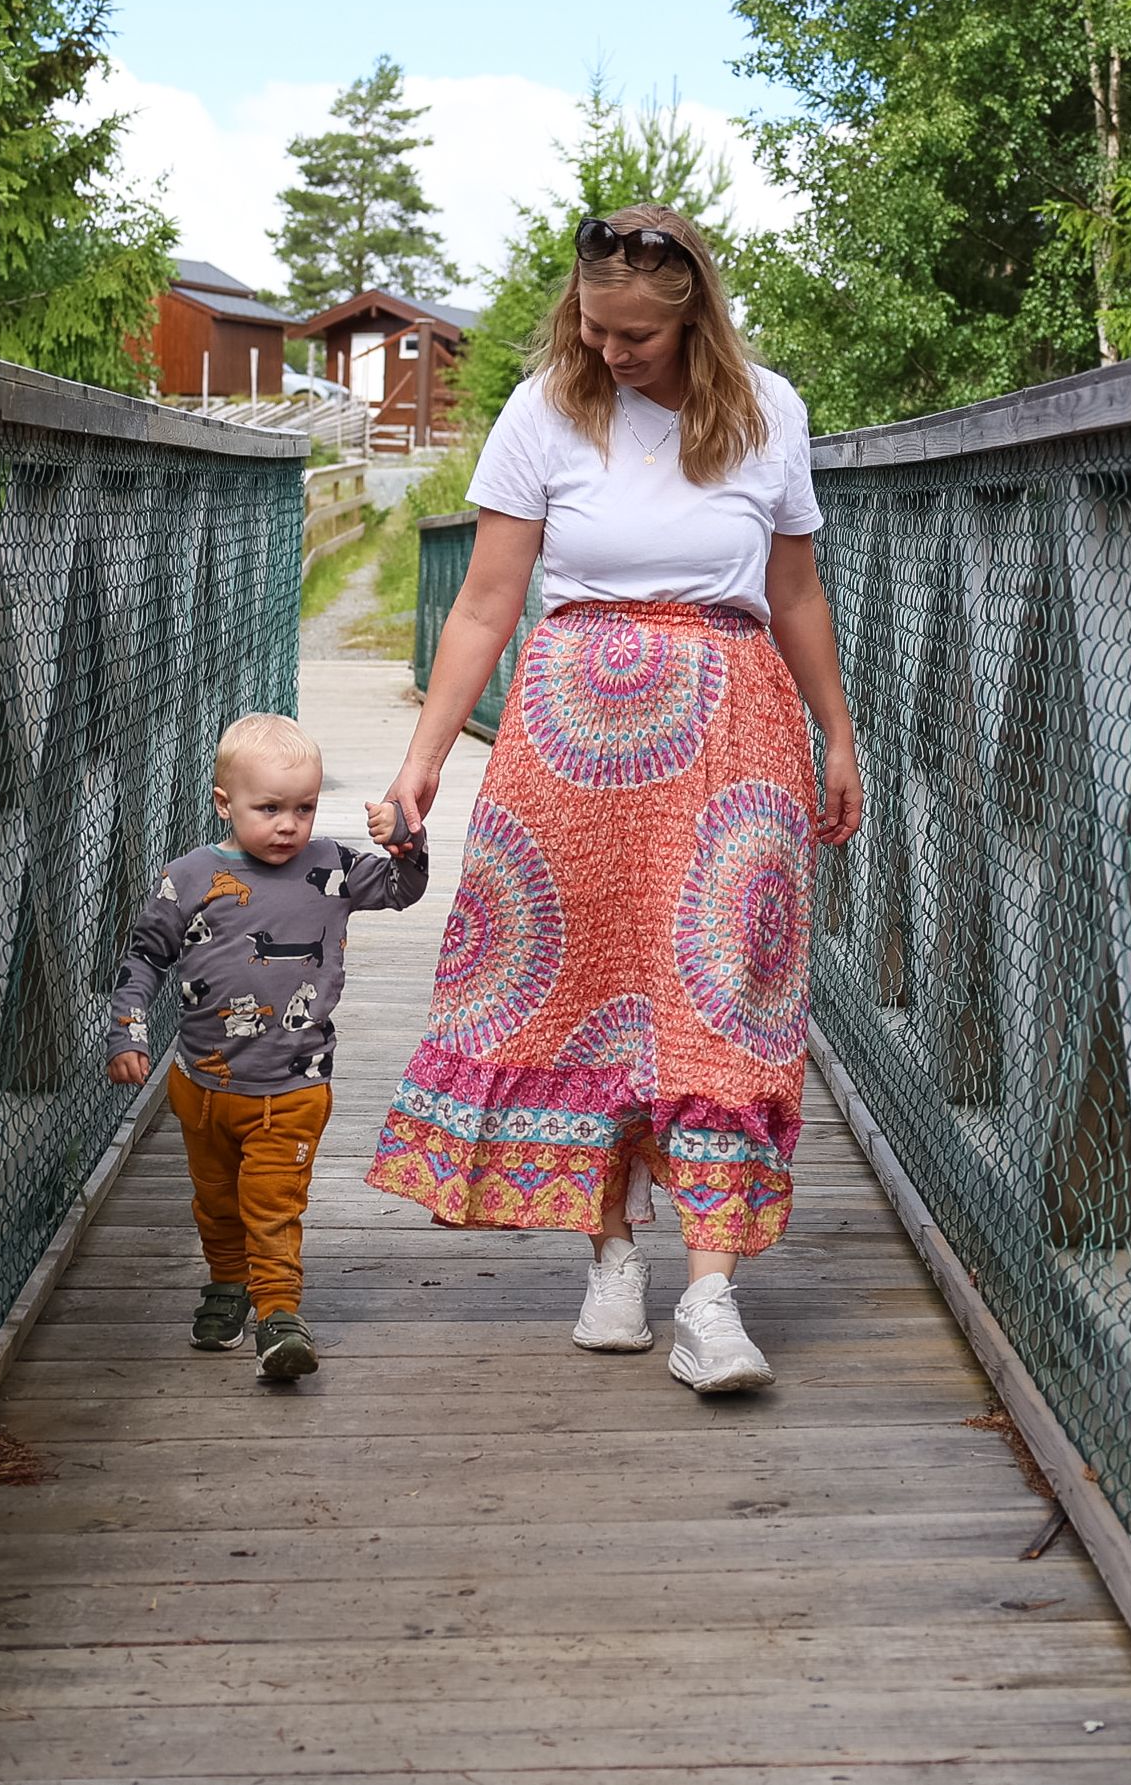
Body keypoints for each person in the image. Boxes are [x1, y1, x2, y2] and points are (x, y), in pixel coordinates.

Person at [367, 204, 865, 1393]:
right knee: (587, 979)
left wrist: (837, 733)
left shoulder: (769, 412)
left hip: (733, 723)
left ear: (695, 313)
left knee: (723, 987)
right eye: (593, 326)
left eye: (635, 334)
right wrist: (424, 755)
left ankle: (711, 1294)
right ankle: (611, 1257)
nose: (609, 351)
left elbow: (793, 591)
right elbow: (487, 601)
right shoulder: (545, 406)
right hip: (571, 733)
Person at [108, 712, 429, 1381]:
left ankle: (279, 1314)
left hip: (293, 1087)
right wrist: (128, 1029)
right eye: (269, 808)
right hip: (201, 1085)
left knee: (273, 1202)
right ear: (224, 802)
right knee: (215, 1200)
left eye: (304, 807)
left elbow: (403, 891)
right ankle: (227, 1283)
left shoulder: (331, 866)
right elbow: (143, 957)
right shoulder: (189, 877)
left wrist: (406, 843)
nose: (288, 824)